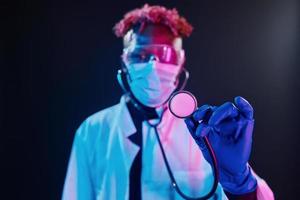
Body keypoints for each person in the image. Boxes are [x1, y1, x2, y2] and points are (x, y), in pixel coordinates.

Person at [62, 4, 274, 200]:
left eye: (165, 54)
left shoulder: (206, 132)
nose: (153, 65)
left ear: (180, 61)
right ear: (124, 61)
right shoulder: (92, 130)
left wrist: (238, 181)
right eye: (140, 55)